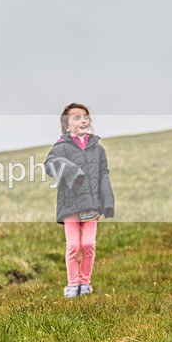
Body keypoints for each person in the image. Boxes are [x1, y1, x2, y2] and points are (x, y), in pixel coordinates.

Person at [45, 103, 114, 299]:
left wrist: (107, 201)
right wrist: (71, 170)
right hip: (70, 205)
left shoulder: (98, 150)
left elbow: (104, 174)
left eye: (85, 117)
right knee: (74, 245)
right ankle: (72, 285)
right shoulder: (61, 148)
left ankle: (85, 283)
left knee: (89, 244)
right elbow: (50, 164)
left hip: (92, 205)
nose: (83, 120)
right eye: (76, 118)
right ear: (67, 126)